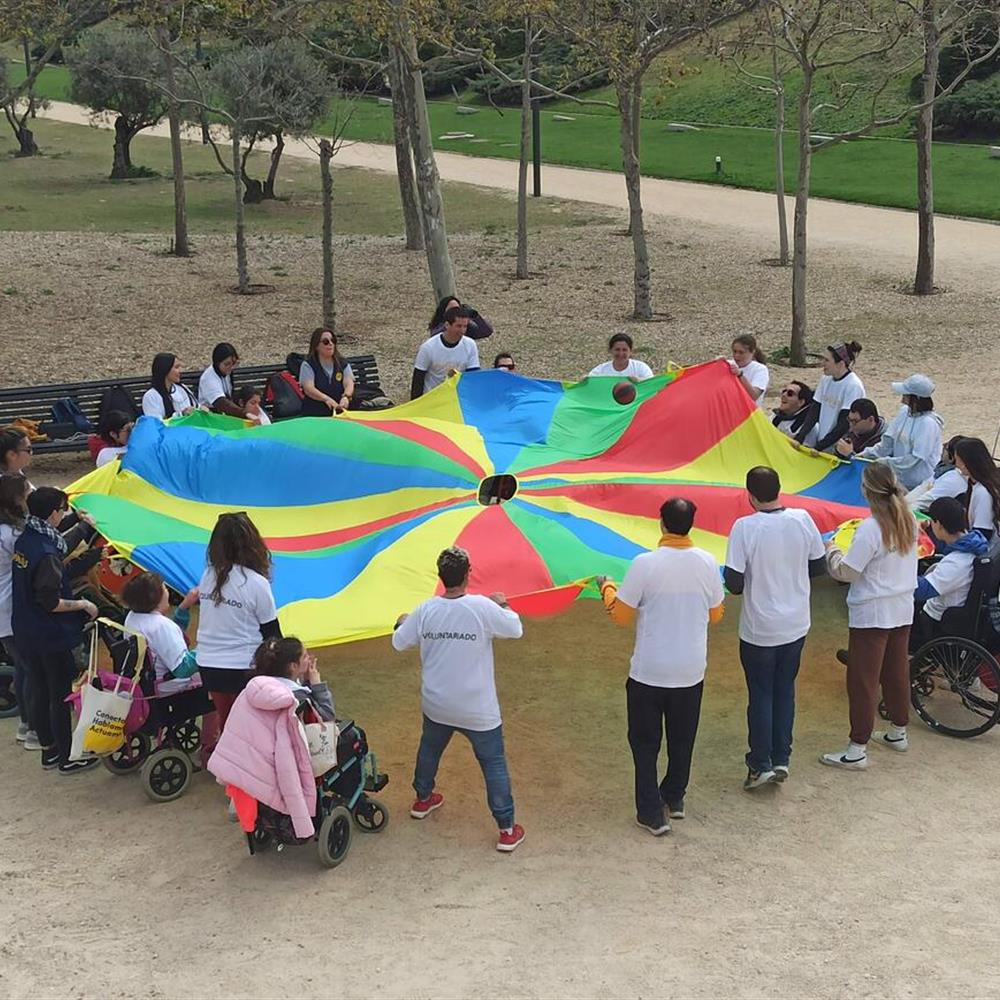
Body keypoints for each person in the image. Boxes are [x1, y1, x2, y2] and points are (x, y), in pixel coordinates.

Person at [597, 498, 725, 835]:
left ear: (661, 523)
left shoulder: (645, 564)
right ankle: (674, 796)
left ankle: (651, 811)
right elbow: (716, 614)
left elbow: (621, 616)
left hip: (650, 672)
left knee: (644, 743)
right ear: (692, 524)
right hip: (690, 670)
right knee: (683, 739)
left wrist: (607, 587)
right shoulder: (708, 562)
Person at [391, 546, 525, 853]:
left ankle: (423, 799)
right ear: (468, 574)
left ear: (440, 576)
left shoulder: (425, 610)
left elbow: (399, 642)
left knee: (430, 749)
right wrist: (503, 604)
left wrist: (402, 622)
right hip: (478, 708)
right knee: (493, 763)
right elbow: (515, 629)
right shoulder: (481, 607)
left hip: (437, 703)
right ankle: (506, 829)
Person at [723, 468, 826, 790]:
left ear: (749, 495)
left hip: (760, 627)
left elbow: (734, 583)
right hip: (795, 623)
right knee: (785, 690)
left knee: (761, 694)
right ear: (780, 489)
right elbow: (818, 566)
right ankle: (782, 757)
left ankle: (760, 764)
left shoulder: (744, 527)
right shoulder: (803, 519)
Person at [822, 463, 918, 769]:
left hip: (872, 612)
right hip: (902, 606)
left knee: (863, 681)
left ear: (866, 491)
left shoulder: (871, 528)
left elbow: (847, 572)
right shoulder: (909, 519)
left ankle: (857, 748)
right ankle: (898, 731)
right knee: (896, 671)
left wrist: (832, 550)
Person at [11, 487, 99, 775]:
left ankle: (49, 751)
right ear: (53, 514)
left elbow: (59, 544)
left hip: (25, 629)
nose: (64, 514)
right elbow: (50, 602)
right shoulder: (47, 554)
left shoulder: (27, 537)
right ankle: (67, 757)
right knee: (59, 695)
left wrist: (82, 526)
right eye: (63, 510)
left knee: (39, 687)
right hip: (48, 633)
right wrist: (82, 604)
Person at [195, 512, 280, 732]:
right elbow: (272, 633)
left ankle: (222, 752)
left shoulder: (208, 576)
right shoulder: (256, 583)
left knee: (227, 724)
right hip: (243, 668)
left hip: (208, 665)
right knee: (251, 728)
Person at [909, 497, 988, 654]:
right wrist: (927, 530)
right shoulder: (974, 543)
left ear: (938, 523)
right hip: (959, 609)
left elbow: (921, 591)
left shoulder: (957, 563)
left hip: (935, 620)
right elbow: (946, 542)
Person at [844, 375, 943, 491]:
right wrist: (866, 454)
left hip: (919, 484)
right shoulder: (904, 412)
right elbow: (887, 442)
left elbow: (916, 459)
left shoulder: (928, 424)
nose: (902, 398)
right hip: (899, 479)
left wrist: (886, 462)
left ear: (915, 398)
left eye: (905, 395)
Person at [0, 475, 37, 749]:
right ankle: (34, 729)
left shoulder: (8, 529)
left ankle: (27, 724)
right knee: (33, 670)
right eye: (27, 494)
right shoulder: (12, 535)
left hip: (7, 612)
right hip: (11, 610)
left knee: (24, 669)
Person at [121, 571, 201, 695]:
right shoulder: (161, 626)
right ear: (156, 599)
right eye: (165, 589)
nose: (167, 592)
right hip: (167, 685)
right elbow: (183, 669)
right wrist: (207, 648)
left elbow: (165, 640)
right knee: (215, 673)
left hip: (145, 681)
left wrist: (183, 607)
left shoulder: (132, 616)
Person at [252, 636, 335, 722]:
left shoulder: (260, 686)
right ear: (293, 666)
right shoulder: (298, 697)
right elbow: (328, 717)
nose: (309, 658)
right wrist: (318, 686)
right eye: (305, 656)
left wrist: (307, 681)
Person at [411, 307, 481, 400]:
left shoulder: (470, 345)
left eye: (465, 326)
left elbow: (473, 375)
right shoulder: (428, 347)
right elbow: (418, 379)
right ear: (447, 325)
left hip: (457, 398)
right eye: (458, 326)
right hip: (433, 399)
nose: (462, 330)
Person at [813, 341, 865, 452]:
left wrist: (820, 446)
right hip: (822, 442)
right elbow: (815, 409)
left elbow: (844, 424)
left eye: (827, 360)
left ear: (841, 364)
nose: (823, 363)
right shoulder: (825, 379)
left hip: (838, 447)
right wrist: (800, 437)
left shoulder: (853, 386)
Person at [954, 437, 1000, 543]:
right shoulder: (979, 482)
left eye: (957, 460)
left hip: (984, 548)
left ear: (965, 463)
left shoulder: (983, 492)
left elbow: (982, 534)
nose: (956, 464)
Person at [299, 329, 354, 417]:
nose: (330, 344)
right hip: (315, 412)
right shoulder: (308, 365)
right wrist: (326, 399)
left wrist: (346, 397)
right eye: (325, 342)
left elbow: (349, 383)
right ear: (316, 346)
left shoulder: (342, 363)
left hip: (340, 410)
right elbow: (309, 389)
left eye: (333, 340)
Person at [908, 436, 969, 513]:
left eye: (946, 448)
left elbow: (925, 502)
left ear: (952, 457)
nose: (943, 448)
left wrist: (903, 510)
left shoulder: (954, 478)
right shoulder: (944, 470)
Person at [142, 353, 196, 419]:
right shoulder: (151, 396)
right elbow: (156, 422)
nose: (180, 371)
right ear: (165, 369)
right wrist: (181, 414)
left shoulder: (182, 388)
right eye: (176, 367)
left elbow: (195, 407)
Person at [198, 342, 245, 417]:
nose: (231, 367)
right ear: (217, 363)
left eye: (234, 363)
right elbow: (221, 403)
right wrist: (245, 413)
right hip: (210, 415)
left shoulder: (225, 372)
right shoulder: (208, 379)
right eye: (227, 364)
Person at [589, 333, 654, 381]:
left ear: (630, 351)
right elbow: (589, 383)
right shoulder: (600, 371)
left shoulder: (641, 368)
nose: (621, 353)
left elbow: (651, 385)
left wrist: (640, 381)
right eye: (617, 349)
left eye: (624, 350)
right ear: (610, 350)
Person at [728, 334, 770, 409]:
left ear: (752, 352)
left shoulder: (760, 369)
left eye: (741, 352)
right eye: (734, 351)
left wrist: (740, 375)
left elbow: (754, 396)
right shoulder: (728, 364)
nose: (736, 355)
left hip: (749, 413)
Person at [429, 295, 494, 341]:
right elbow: (435, 336)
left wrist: (476, 317)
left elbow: (486, 331)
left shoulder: (466, 326)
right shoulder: (439, 326)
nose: (455, 312)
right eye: (452, 310)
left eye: (457, 309)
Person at [772, 381, 818, 445]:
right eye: (784, 391)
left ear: (801, 402)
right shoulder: (774, 417)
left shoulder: (807, 428)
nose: (784, 395)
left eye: (790, 393)